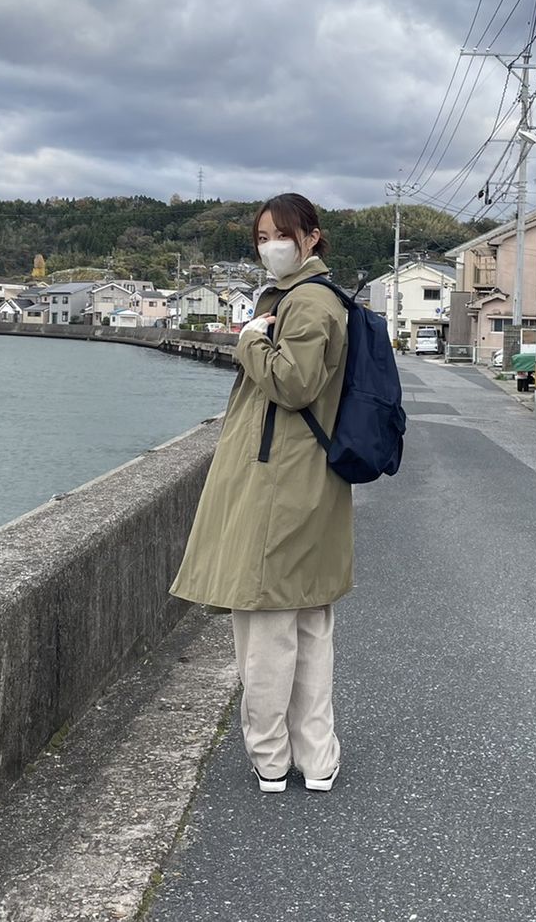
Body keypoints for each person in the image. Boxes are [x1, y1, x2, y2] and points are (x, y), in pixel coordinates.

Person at [170, 193, 352, 794]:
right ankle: (317, 757)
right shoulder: (315, 297)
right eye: (261, 237)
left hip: (281, 481)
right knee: (309, 621)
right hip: (309, 478)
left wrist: (248, 338)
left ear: (311, 238)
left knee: (266, 624)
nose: (269, 246)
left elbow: (293, 384)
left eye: (280, 235)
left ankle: (271, 757)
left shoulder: (307, 302)